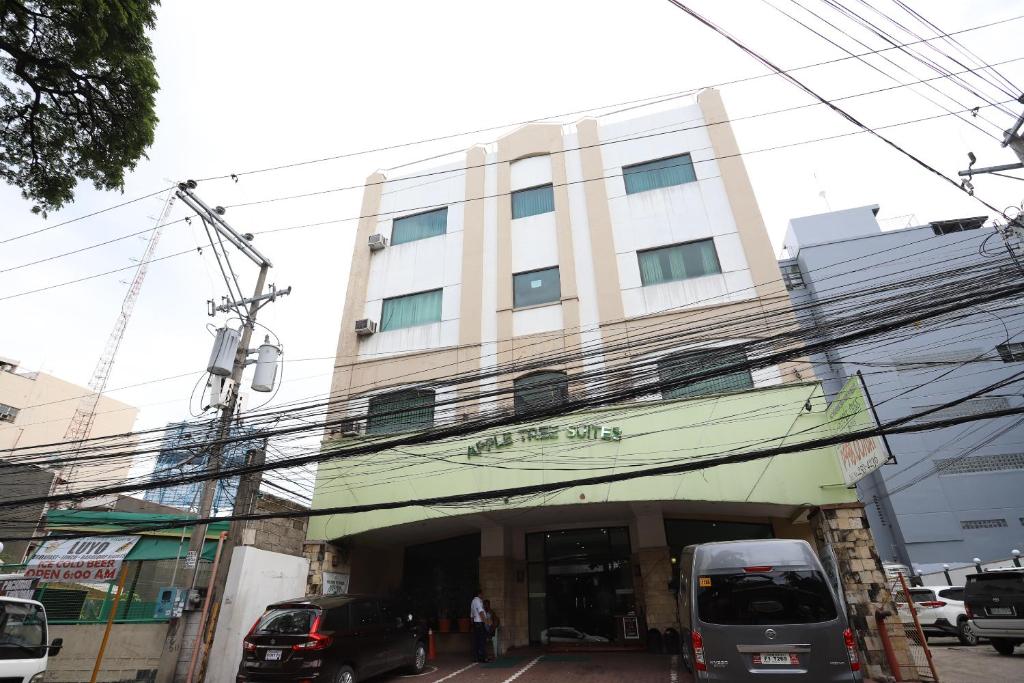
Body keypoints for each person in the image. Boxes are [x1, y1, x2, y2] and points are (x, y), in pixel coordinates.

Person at [470, 588, 488, 662]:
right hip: (480, 623)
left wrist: (472, 624)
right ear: (479, 594)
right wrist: (486, 622)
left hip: (475, 623)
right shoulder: (478, 601)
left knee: (476, 641)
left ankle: (476, 657)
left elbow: (471, 615)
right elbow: (481, 612)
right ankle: (483, 658)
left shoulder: (473, 601)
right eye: (482, 594)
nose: (482, 595)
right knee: (482, 641)